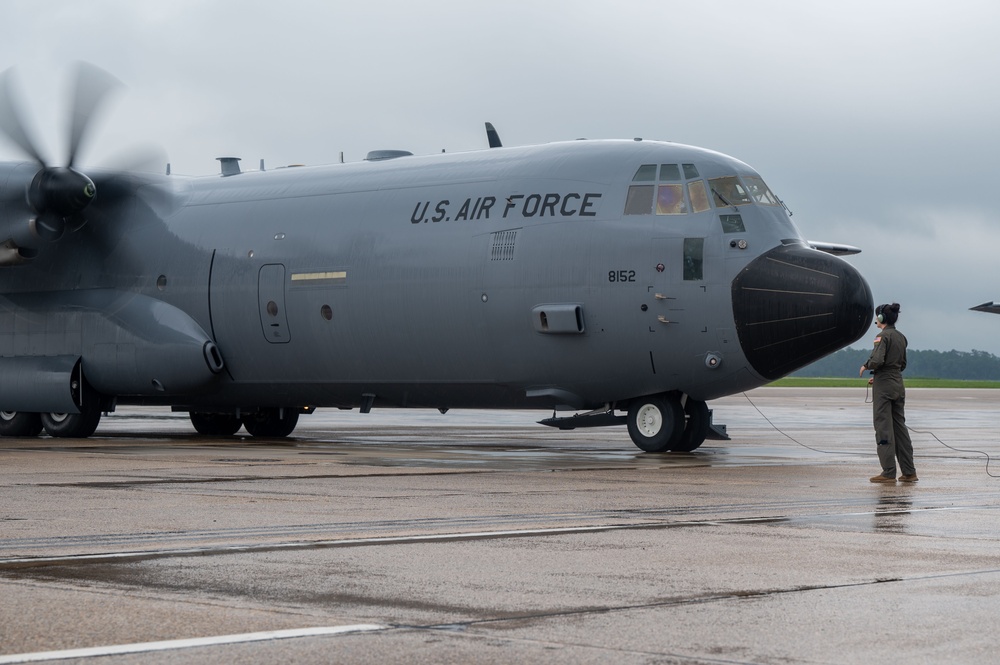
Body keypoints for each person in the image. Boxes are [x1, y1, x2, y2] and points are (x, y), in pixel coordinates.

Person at [860, 303, 917, 483]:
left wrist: (866, 366)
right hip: (897, 384)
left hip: (884, 388)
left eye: (877, 316)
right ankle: (909, 472)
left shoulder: (881, 336)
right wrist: (878, 377)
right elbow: (903, 364)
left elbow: (877, 360)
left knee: (883, 427)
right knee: (900, 428)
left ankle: (888, 472)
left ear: (881, 318)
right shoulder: (901, 337)